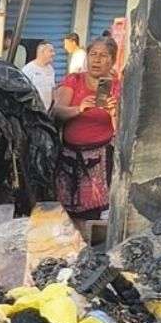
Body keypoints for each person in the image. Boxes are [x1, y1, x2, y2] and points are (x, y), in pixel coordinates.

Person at [50, 33, 121, 221]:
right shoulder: (74, 80)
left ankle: (89, 248)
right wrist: (79, 109)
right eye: (93, 54)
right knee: (65, 214)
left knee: (92, 216)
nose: (97, 60)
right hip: (69, 158)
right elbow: (57, 112)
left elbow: (123, 131)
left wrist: (114, 113)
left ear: (112, 61)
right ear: (87, 57)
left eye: (104, 55)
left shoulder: (117, 87)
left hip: (100, 159)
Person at [21, 40, 56, 106]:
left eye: (53, 51)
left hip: (46, 112)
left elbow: (52, 89)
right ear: (41, 52)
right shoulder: (28, 69)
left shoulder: (50, 69)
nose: (53, 54)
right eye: (51, 51)